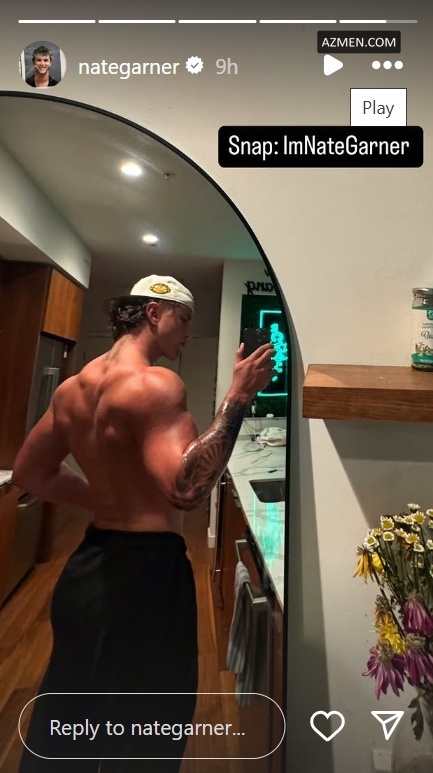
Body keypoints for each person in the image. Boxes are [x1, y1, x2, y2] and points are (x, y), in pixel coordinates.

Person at [13, 274, 275, 772]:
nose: (188, 333)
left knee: (66, 723)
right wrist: (238, 395)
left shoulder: (73, 388)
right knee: (148, 732)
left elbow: (31, 472)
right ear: (154, 313)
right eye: (184, 319)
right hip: (147, 580)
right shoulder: (156, 385)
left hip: (88, 571)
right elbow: (187, 490)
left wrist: (103, 498)